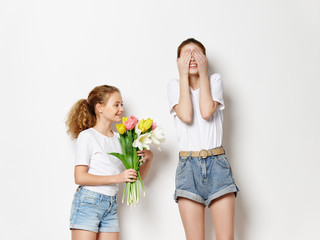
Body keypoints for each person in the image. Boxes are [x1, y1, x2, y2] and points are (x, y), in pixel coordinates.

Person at [167, 38, 239, 240]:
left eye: (196, 53)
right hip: (187, 167)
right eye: (186, 54)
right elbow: (187, 115)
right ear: (178, 60)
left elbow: (206, 111)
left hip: (217, 164)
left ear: (205, 59)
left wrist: (203, 73)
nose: (191, 57)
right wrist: (183, 76)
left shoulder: (214, 80)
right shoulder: (174, 85)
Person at [66, 85, 153, 240]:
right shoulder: (88, 137)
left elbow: (135, 177)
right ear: (99, 108)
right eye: (116, 105)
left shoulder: (121, 139)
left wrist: (148, 159)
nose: (121, 109)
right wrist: (117, 178)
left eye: (122, 105)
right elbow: (80, 177)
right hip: (88, 202)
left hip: (110, 205)